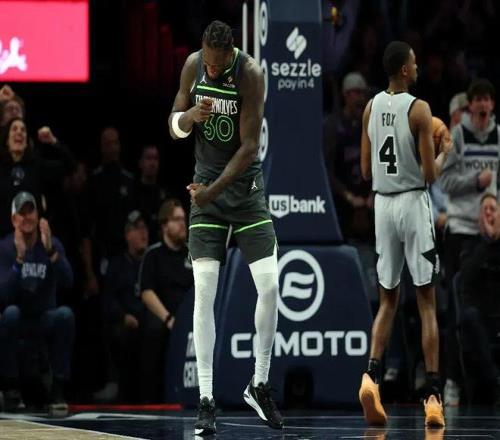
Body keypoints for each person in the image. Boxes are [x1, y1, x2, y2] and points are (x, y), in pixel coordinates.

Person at [168, 20, 283, 435]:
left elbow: (250, 146)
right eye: (209, 65)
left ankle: (259, 384)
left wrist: (212, 192)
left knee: (270, 286)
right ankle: (206, 399)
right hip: (206, 188)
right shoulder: (193, 65)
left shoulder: (250, 73)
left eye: (219, 66)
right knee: (204, 290)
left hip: (242, 189)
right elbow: (173, 127)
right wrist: (188, 117)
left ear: (230, 54)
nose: (212, 70)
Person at [359, 41, 452, 427]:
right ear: (403, 70)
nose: (417, 67)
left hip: (382, 206)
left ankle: (370, 377)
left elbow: (365, 171)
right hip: (413, 202)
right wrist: (444, 150)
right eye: (413, 62)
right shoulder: (420, 109)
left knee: (388, 301)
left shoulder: (369, 107)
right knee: (427, 301)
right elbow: (430, 175)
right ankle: (432, 395)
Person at [439, 78, 500, 406]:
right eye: (478, 100)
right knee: (458, 311)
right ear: (470, 105)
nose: (483, 105)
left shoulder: (499, 135)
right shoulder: (457, 137)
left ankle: (486, 381)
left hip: (490, 233)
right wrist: (476, 182)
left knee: (487, 312)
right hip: (461, 231)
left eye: (487, 99)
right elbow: (445, 182)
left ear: (492, 105)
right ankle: (452, 380)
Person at [0, 192, 74, 416]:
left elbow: (68, 281)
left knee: (65, 315)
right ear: (14, 219)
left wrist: (51, 251)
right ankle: (11, 388)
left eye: (30, 211)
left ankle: (58, 390)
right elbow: (3, 296)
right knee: (10, 313)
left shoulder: (51, 243)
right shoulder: (5, 247)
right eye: (21, 213)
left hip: (43, 318)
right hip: (17, 320)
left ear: (38, 215)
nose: (27, 217)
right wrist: (19, 259)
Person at [138, 199, 192, 403]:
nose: (182, 224)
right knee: (153, 328)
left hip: (189, 317)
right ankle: (151, 400)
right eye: (177, 220)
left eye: (183, 219)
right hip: (165, 317)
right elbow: (146, 293)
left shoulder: (192, 253)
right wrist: (169, 320)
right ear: (164, 225)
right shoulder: (153, 255)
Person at [95, 210, 149, 403]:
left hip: (149, 319)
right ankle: (115, 383)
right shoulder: (117, 264)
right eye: (138, 229)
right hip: (125, 320)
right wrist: (123, 316)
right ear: (127, 235)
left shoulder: (152, 260)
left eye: (145, 228)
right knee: (117, 333)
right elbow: (108, 300)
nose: (143, 233)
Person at [458, 194, 500, 405]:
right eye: (485, 210)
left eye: (493, 209)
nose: (489, 213)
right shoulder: (471, 245)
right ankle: (495, 382)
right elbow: (465, 278)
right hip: (480, 315)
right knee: (470, 318)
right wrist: (487, 242)